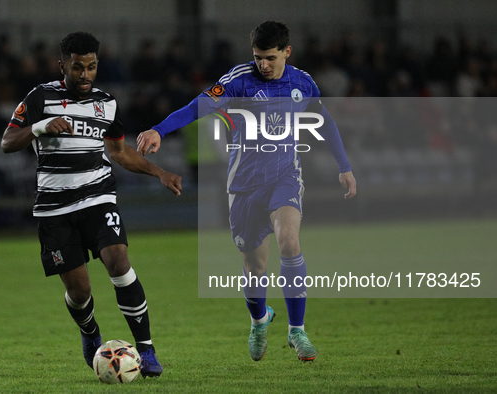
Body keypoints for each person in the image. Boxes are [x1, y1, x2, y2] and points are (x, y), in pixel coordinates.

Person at [137, 21, 356, 362]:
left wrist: (344, 166)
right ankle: (258, 321)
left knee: (289, 241)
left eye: (270, 57)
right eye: (257, 57)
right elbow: (198, 106)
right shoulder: (239, 80)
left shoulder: (303, 83)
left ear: (287, 52)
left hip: (285, 176)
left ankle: (297, 330)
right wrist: (160, 130)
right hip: (243, 185)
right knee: (254, 265)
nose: (263, 65)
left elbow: (324, 121)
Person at [1, 32, 182, 377]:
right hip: (54, 208)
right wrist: (39, 127)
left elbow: (118, 152)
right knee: (80, 291)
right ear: (63, 65)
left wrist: (158, 172)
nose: (85, 74)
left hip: (98, 197)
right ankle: (89, 333)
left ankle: (147, 349)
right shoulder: (40, 97)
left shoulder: (107, 103)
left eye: (92, 67)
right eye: (78, 67)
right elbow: (7, 142)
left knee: (118, 261)